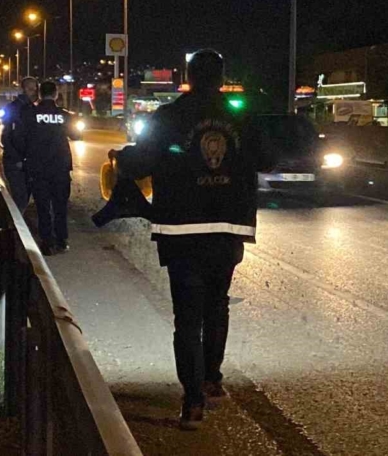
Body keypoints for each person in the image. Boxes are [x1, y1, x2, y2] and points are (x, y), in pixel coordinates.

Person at [112, 49, 274, 430]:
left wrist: (121, 158)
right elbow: (268, 159)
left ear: (188, 77)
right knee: (217, 305)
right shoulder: (242, 117)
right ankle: (212, 380)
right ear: (222, 77)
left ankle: (193, 403)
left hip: (181, 232)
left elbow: (140, 163)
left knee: (187, 317)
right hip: (227, 229)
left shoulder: (169, 116)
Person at [18, 80, 73, 256]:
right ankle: (61, 241)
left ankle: (47, 242)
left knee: (42, 207)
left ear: (40, 94)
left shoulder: (29, 113)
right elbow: (76, 135)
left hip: (37, 168)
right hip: (60, 167)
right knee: (60, 206)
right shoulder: (64, 115)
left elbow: (20, 138)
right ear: (56, 94)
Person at [1, 76, 39, 209]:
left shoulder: (34, 109)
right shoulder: (13, 108)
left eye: (35, 89)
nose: (34, 92)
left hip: (28, 162)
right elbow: (6, 137)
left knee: (25, 197)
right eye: (30, 89)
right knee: (20, 198)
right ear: (23, 89)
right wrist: (16, 159)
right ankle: (13, 222)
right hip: (15, 162)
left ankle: (16, 220)